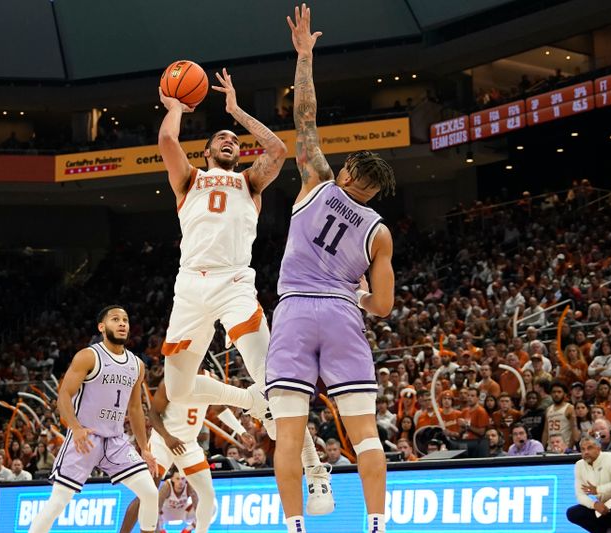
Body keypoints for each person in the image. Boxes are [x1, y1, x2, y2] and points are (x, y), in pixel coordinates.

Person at [157, 31, 332, 515]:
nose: (232, 142)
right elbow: (168, 139)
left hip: (235, 282)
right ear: (209, 151)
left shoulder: (250, 181)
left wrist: (236, 111)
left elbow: (277, 149)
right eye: (224, 138)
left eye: (235, 140)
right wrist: (176, 103)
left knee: (275, 378)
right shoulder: (188, 179)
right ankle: (250, 402)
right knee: (176, 391)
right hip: (190, 284)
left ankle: (316, 470)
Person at [266, 6, 397, 532]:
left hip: (295, 312)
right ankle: (378, 524)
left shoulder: (317, 179)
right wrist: (358, 294)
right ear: (375, 192)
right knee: (365, 434)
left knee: (291, 437)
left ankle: (295, 525)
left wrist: (304, 56)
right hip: (343, 315)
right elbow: (383, 307)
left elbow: (305, 115)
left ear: (345, 171)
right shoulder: (379, 232)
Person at [29, 306, 158, 533]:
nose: (122, 324)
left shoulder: (137, 365)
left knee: (150, 492)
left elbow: (136, 408)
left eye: (125, 320)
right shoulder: (89, 356)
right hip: (86, 437)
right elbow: (64, 395)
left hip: (116, 439)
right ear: (102, 327)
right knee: (59, 501)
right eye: (115, 319)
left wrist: (144, 448)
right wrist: (76, 428)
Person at [120, 379, 214, 533]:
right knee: (147, 493)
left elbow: (219, 409)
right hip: (163, 440)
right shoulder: (170, 381)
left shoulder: (209, 380)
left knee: (207, 494)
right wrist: (167, 437)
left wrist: (241, 431)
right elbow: (153, 414)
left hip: (188, 444)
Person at [543, 381, 579, 449]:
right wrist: (543, 447)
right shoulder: (548, 409)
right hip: (550, 448)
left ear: (564, 394)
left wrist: (569, 448)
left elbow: (574, 430)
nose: (556, 394)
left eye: (559, 392)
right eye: (554, 392)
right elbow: (545, 431)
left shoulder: (569, 408)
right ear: (550, 394)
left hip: (565, 447)